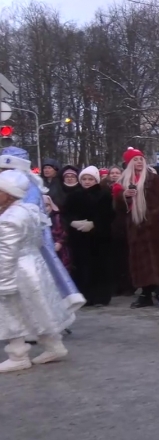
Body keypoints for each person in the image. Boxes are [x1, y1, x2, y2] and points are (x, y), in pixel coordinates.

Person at [0, 170, 77, 372]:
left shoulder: (9, 219)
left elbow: (6, 253)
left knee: (10, 312)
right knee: (37, 309)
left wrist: (4, 281)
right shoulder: (29, 211)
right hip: (33, 266)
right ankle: (54, 346)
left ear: (8, 193)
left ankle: (17, 355)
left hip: (15, 269)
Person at [0, 148, 85, 313]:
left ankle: (39, 322)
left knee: (31, 284)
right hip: (19, 241)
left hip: (24, 243)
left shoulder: (25, 185)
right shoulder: (19, 182)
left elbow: (25, 214)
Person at [114, 147, 159, 310]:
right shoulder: (123, 183)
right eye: (135, 159)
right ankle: (145, 294)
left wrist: (152, 218)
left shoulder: (154, 179)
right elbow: (118, 209)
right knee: (141, 263)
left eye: (141, 158)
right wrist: (124, 197)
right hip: (136, 229)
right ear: (129, 163)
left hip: (155, 229)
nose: (139, 162)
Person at [63, 166, 115, 307]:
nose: (87, 181)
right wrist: (73, 222)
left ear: (96, 180)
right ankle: (84, 295)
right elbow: (66, 213)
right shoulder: (74, 195)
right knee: (82, 267)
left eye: (90, 179)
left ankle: (100, 297)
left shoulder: (104, 195)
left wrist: (94, 224)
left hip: (99, 238)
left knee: (100, 267)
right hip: (79, 237)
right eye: (84, 179)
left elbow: (108, 215)